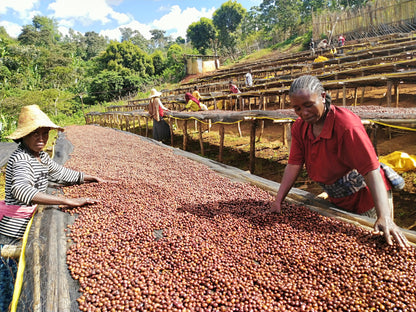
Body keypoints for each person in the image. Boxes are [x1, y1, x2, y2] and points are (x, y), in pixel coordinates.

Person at [270, 75, 409, 249]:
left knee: (375, 244)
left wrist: (385, 217)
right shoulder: (300, 126)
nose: (303, 113)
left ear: (322, 97)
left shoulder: (346, 125)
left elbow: (370, 170)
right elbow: (294, 164)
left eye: (308, 105)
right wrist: (278, 200)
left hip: (367, 197)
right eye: (296, 108)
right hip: (339, 196)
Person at [0, 104, 104, 310]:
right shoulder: (21, 159)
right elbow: (21, 190)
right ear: (23, 136)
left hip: (28, 225)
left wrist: (86, 178)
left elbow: (60, 173)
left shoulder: (41, 157)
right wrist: (66, 201)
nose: (41, 138)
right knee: (8, 286)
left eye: (45, 133)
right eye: (35, 134)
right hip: (13, 233)